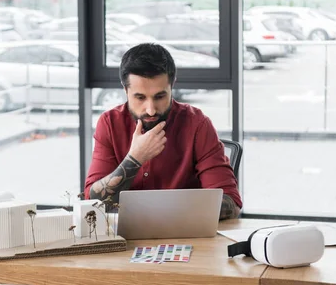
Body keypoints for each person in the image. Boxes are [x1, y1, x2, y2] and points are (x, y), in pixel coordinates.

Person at [84, 43, 242, 220]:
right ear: (125, 89)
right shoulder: (110, 123)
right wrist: (135, 159)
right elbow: (92, 203)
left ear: (172, 85)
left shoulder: (197, 124)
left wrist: (165, 214)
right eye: (140, 97)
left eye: (160, 97)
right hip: (126, 238)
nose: (151, 109)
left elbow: (231, 204)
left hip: (187, 235)